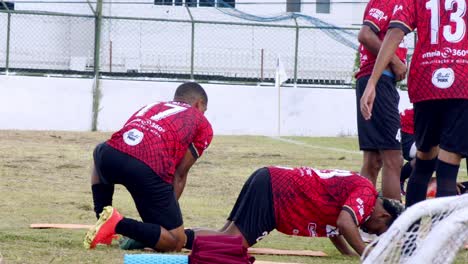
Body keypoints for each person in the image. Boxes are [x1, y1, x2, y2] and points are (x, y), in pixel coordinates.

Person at [360, 0, 468, 207]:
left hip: (426, 81)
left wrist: (372, 82)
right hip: (461, 82)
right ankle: (442, 239)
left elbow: (395, 33)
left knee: (424, 163)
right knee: (447, 168)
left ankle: (410, 236)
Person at [84, 82, 213, 251]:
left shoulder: (153, 105)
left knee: (101, 152)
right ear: (198, 104)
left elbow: (125, 140)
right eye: (204, 110)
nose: (203, 114)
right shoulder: (202, 123)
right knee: (175, 241)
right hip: (147, 165)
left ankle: (102, 215)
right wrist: (163, 221)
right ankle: (115, 223)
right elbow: (179, 174)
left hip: (106, 155)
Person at [183, 166, 404, 256]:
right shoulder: (366, 195)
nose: (373, 233)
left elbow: (338, 227)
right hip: (277, 193)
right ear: (383, 215)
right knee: (234, 244)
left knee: (226, 235)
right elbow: (346, 223)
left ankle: (175, 237)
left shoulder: (363, 195)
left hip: (271, 182)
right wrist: (365, 253)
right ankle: (170, 238)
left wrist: (346, 253)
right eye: (379, 231)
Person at [355, 0, 408, 200]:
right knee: (394, 159)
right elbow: (365, 34)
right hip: (378, 82)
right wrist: (395, 61)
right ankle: (394, 226)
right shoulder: (388, 1)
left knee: (373, 160)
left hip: (374, 81)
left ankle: (360, 216)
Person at [399, 108, 468, 197]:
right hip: (410, 140)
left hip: (422, 136)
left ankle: (461, 187)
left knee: (453, 148)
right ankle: (400, 178)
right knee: (440, 153)